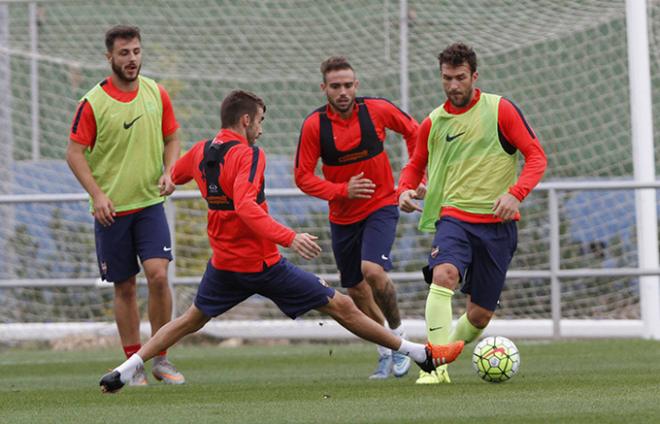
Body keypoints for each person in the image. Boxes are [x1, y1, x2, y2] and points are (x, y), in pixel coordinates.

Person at [98, 90, 464, 393]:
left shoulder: (201, 150)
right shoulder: (249, 155)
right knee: (342, 306)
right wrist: (291, 237)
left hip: (224, 265)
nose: (260, 129)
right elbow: (245, 207)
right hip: (263, 265)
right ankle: (420, 354)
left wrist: (167, 181)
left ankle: (126, 368)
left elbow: (175, 175)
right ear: (246, 121)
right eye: (259, 121)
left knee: (190, 319)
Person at [397, 43, 547, 384]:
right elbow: (414, 166)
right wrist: (403, 191)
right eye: (447, 78)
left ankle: (444, 351)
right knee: (444, 275)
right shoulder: (434, 121)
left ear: (474, 76)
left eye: (460, 77)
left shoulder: (501, 110)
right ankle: (435, 367)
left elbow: (536, 157)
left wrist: (515, 194)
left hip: (498, 226)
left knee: (479, 316)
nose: (453, 85)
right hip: (454, 218)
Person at [67, 25, 184, 386]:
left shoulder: (155, 92)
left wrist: (170, 171)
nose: (132, 59)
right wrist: (98, 196)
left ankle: (161, 358)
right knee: (126, 287)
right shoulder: (93, 102)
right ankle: (132, 366)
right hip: (112, 211)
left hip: (149, 204)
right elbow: (74, 154)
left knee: (160, 277)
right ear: (109, 57)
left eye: (136, 51)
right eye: (124, 53)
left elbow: (173, 136)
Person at [294, 56, 424, 379]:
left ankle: (400, 336)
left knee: (373, 271)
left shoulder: (377, 110)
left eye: (348, 85)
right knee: (355, 289)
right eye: (335, 86)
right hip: (342, 217)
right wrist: (341, 190)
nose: (342, 91)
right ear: (324, 88)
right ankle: (385, 351)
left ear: (357, 85)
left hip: (381, 205)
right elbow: (302, 177)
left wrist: (415, 177)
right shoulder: (315, 126)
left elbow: (416, 133)